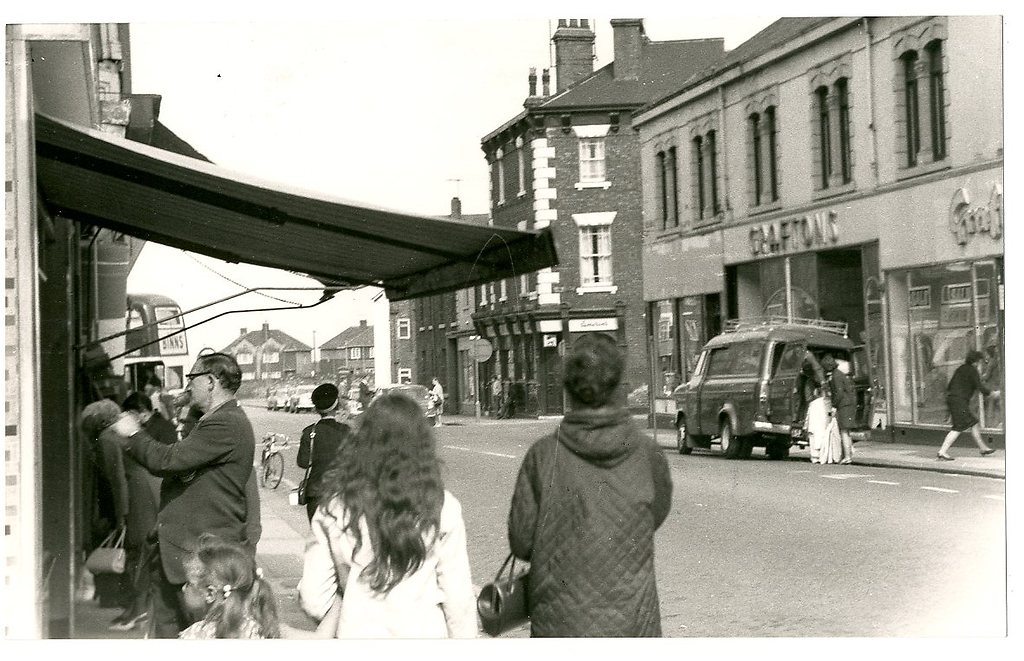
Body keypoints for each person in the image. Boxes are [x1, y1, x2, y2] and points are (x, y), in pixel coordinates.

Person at [507, 333, 672, 637]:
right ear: (618, 385)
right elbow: (655, 515)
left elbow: (521, 542)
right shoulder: (648, 454)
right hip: (633, 622)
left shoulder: (542, 456)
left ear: (568, 389)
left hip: (560, 624)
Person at [297, 392, 477, 638]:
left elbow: (313, 598)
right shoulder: (442, 506)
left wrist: (347, 608)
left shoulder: (335, 507)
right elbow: (458, 600)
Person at [111, 352, 258, 638]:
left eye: (192, 379)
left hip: (200, 560)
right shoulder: (213, 420)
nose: (188, 385)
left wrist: (133, 433)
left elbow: (166, 460)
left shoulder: (226, 423)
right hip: (180, 555)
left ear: (211, 381)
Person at [178, 533, 280, 639]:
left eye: (189, 583)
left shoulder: (195, 635)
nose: (184, 588)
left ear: (210, 593)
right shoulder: (260, 629)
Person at [297, 383, 351, 522]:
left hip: (316, 494)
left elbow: (303, 462)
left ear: (316, 409)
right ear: (337, 405)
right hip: (342, 493)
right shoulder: (347, 431)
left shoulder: (309, 432)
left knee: (318, 533)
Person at [937, 349, 1000, 460]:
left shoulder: (960, 369)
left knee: (973, 423)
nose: (980, 364)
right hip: (960, 401)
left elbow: (950, 386)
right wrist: (992, 393)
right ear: (976, 361)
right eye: (980, 362)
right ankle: (942, 452)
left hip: (953, 399)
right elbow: (980, 387)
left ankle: (983, 448)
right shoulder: (972, 370)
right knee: (958, 427)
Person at [821, 355, 855, 465]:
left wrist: (834, 406)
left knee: (843, 431)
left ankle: (847, 457)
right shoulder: (839, 373)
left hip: (844, 406)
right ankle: (848, 455)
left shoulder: (836, 376)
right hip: (848, 404)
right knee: (846, 432)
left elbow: (839, 393)